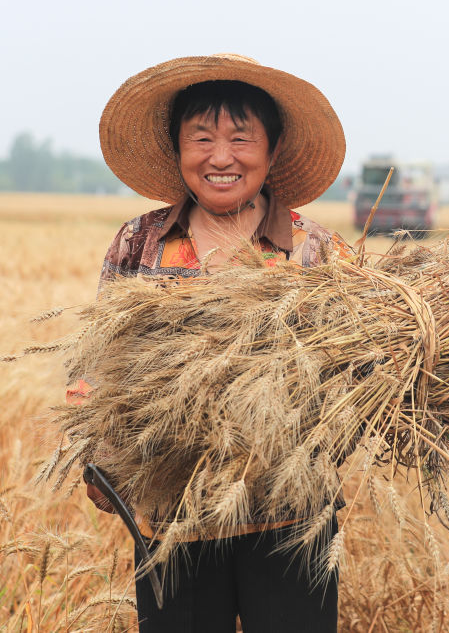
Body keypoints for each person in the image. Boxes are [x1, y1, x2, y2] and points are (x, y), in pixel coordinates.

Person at [78, 53, 350, 632]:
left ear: (272, 152)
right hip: (169, 522)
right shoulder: (140, 243)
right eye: (200, 138)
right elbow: (97, 363)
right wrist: (96, 446)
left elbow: (355, 380)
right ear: (178, 152)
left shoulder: (315, 253)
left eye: (241, 138)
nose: (220, 157)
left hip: (289, 521)